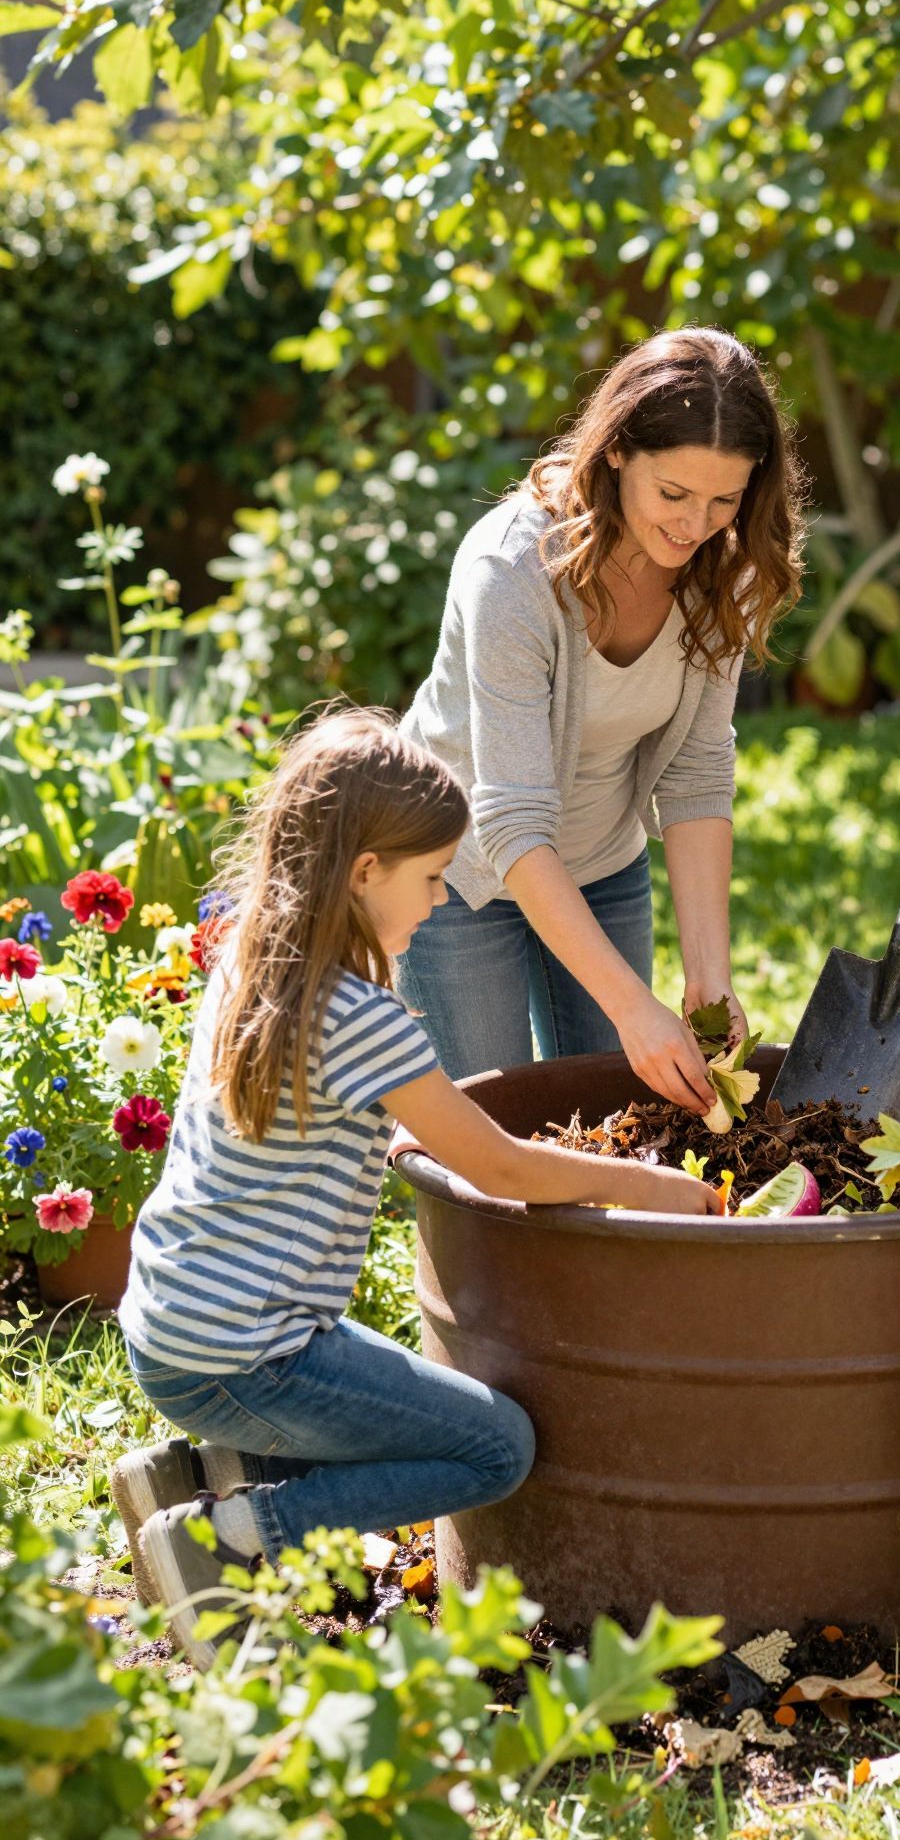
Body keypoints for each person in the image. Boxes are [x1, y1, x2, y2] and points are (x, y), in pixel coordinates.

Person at [111, 712, 717, 1671]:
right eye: (433, 877)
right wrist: (647, 1186)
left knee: (402, 1399)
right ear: (364, 873)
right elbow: (504, 1168)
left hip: (174, 1324)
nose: (441, 900)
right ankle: (225, 1539)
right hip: (248, 1353)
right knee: (493, 1447)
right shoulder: (363, 1018)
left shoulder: (255, 966)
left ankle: (202, 1473)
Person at [398, 327, 805, 1107]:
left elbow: (695, 771)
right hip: (457, 876)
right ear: (616, 452)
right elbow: (511, 818)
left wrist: (707, 978)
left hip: (602, 861)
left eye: (725, 499)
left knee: (621, 1123)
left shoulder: (727, 568)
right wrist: (632, 1008)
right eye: (674, 495)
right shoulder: (513, 572)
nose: (696, 525)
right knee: (497, 1125)